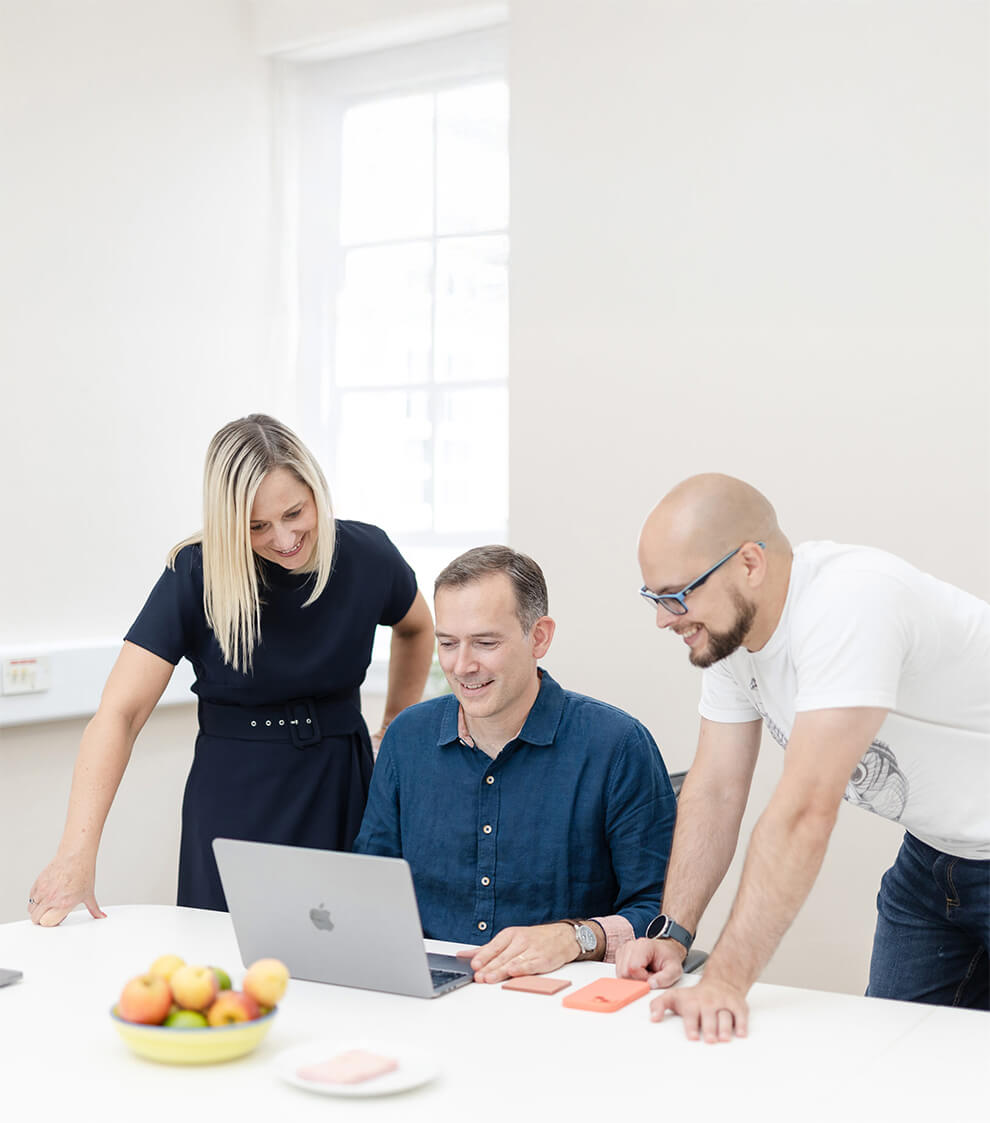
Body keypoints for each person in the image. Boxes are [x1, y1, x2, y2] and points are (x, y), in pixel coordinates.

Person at [617, 473, 990, 1041]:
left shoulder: (851, 602)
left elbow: (803, 813)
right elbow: (715, 788)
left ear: (749, 564)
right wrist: (673, 932)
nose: (665, 619)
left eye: (677, 595)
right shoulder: (729, 639)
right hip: (935, 861)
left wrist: (725, 981)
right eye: (654, 598)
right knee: (890, 1059)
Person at [28, 414, 434, 922]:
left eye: (295, 513)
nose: (285, 538)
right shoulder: (196, 573)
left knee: (348, 961)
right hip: (236, 797)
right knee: (225, 975)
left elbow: (417, 626)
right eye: (257, 526)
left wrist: (394, 723)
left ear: (316, 491)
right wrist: (76, 854)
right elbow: (120, 715)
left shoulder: (366, 553)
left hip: (342, 785)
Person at [354, 545, 675, 982]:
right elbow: (370, 883)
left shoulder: (617, 746)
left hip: (560, 1000)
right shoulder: (406, 739)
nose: (463, 666)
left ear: (539, 637)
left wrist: (574, 937)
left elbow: (660, 912)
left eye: (486, 643)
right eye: (447, 643)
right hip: (425, 994)